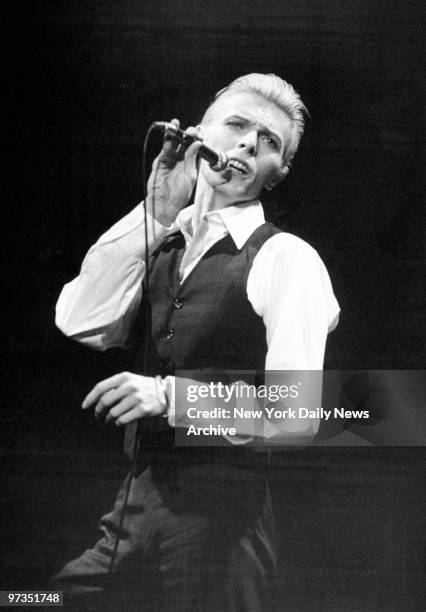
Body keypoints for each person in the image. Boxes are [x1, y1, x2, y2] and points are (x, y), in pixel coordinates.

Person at [51, 73, 340, 611]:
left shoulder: (286, 258)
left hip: (223, 524)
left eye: (269, 141)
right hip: (133, 505)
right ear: (201, 133)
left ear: (277, 174)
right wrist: (156, 212)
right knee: (33, 599)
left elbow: (297, 413)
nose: (248, 144)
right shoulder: (161, 243)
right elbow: (80, 321)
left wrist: (169, 397)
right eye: (236, 125)